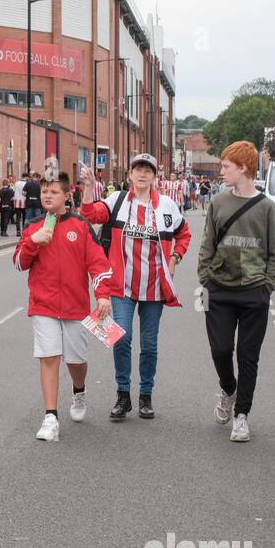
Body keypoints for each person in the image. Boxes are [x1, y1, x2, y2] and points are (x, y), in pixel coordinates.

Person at [81, 152, 192, 422]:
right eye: (137, 170)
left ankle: (146, 396)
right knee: (120, 337)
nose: (142, 174)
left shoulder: (167, 206)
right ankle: (122, 395)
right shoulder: (116, 201)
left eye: (148, 171)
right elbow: (90, 214)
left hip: (155, 288)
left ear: (155, 177)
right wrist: (87, 187)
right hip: (120, 286)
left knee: (150, 344)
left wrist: (176, 257)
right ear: (129, 175)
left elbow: (184, 233)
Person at [197, 141, 275, 442]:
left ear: (244, 168)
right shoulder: (218, 203)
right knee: (221, 350)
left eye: (226, 166)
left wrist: (267, 287)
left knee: (248, 356)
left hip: (253, 293)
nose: (221, 171)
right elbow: (207, 244)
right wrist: (205, 278)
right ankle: (228, 389)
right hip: (219, 290)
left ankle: (242, 415)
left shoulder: (267, 208)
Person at [14, 177, 114, 441]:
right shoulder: (33, 226)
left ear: (67, 196)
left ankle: (79, 390)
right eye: (44, 191)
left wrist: (102, 295)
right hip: (43, 304)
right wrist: (33, 242)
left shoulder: (80, 226)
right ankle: (50, 417)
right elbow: (18, 263)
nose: (47, 196)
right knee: (49, 357)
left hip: (75, 307)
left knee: (75, 361)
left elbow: (99, 265)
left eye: (54, 191)